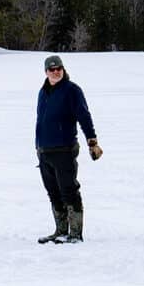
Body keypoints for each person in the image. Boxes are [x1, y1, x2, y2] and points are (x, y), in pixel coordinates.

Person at [34, 54, 100, 244]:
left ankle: (75, 234)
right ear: (46, 72)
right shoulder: (43, 92)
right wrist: (38, 146)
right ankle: (60, 231)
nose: (56, 72)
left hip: (64, 149)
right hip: (44, 151)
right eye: (51, 69)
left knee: (68, 190)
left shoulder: (72, 90)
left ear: (63, 69)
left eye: (59, 69)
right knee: (53, 191)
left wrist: (92, 141)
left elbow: (84, 117)